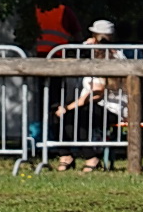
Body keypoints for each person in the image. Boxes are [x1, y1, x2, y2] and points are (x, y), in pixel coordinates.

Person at [51, 21, 124, 171]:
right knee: (60, 113)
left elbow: (97, 93)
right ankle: (66, 154)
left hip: (112, 107)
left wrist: (68, 107)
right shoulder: (92, 53)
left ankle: (90, 157)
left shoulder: (115, 57)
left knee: (78, 115)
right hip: (93, 103)